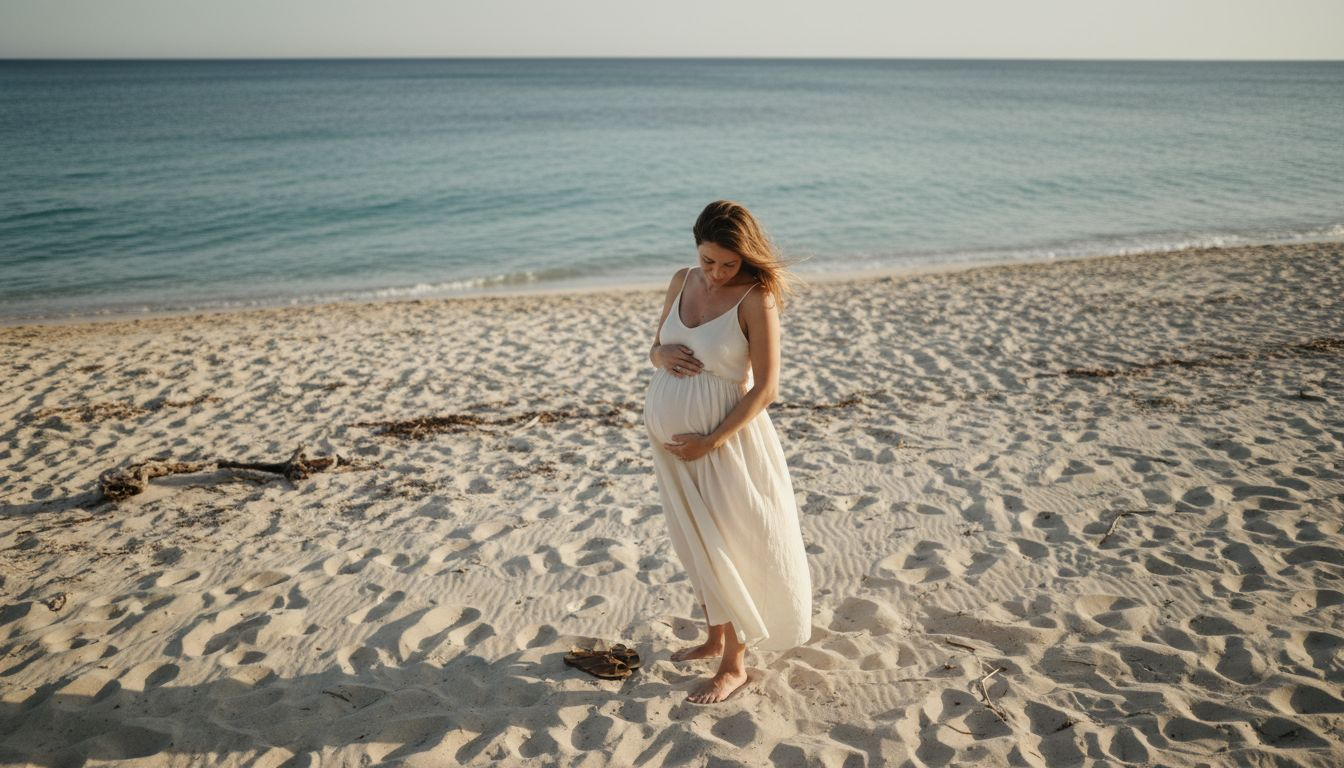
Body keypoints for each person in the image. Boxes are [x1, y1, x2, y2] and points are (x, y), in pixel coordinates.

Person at [642, 200, 813, 704]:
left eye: (728, 264)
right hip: (673, 448)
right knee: (693, 538)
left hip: (725, 441)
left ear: (747, 257)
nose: (715, 273)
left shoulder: (755, 300)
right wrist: (661, 355)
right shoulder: (682, 280)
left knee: (731, 545)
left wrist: (710, 440)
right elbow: (655, 346)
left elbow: (766, 390)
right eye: (708, 260)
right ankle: (714, 635)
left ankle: (734, 665)